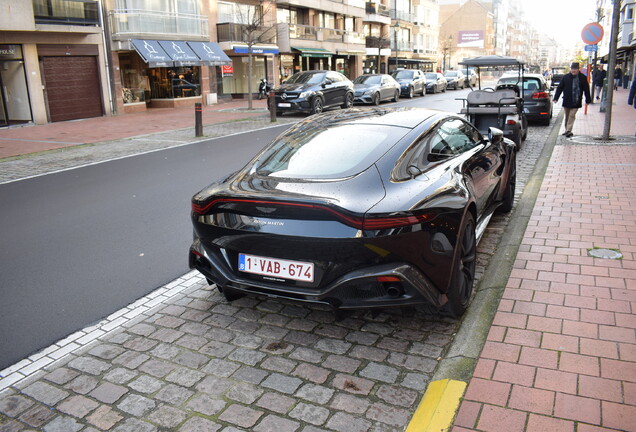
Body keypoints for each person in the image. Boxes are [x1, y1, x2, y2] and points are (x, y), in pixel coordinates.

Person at [553, 62, 591, 138]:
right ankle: (567, 129)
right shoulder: (565, 77)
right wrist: (556, 98)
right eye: (572, 69)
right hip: (567, 100)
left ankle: (568, 130)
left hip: (576, 101)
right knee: (567, 116)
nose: (574, 71)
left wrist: (588, 99)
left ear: (578, 69)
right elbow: (560, 88)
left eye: (575, 69)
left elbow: (586, 89)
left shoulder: (582, 78)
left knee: (572, 115)